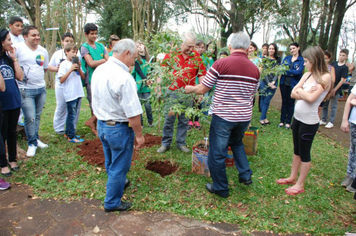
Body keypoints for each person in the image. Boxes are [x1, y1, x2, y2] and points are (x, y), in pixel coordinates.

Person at [185, 32, 260, 198]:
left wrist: (191, 88)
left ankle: (221, 187)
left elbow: (203, 88)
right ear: (248, 48)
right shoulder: (255, 69)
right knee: (237, 142)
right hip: (243, 116)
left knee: (217, 153)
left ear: (230, 46)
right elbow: (253, 94)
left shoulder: (221, 63)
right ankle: (245, 175)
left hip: (224, 116)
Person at [91, 39, 145, 212]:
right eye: (134, 57)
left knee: (111, 161)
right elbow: (133, 113)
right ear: (127, 53)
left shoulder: (100, 69)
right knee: (120, 166)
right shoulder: (124, 78)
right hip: (118, 129)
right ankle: (112, 202)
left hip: (103, 125)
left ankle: (118, 182)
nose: (134, 62)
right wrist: (139, 135)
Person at [276, 46, 332, 195]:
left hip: (309, 122)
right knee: (296, 151)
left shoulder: (325, 77)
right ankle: (293, 177)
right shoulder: (307, 75)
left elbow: (311, 98)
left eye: (306, 61)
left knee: (304, 153)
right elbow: (293, 94)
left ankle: (300, 184)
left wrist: (302, 92)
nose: (304, 64)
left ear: (314, 60)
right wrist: (304, 92)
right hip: (298, 119)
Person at [156, 32, 207, 153]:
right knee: (169, 119)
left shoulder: (196, 57)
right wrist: (158, 89)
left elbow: (201, 74)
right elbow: (161, 72)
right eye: (188, 46)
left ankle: (181, 143)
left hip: (188, 93)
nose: (191, 49)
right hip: (171, 92)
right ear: (181, 43)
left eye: (192, 46)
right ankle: (166, 143)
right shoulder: (172, 55)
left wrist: (201, 91)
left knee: (184, 119)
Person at [15, 25, 49, 157]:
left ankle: (36, 138)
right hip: (25, 89)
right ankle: (31, 144)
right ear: (25, 36)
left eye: (38, 35)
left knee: (38, 115)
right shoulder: (18, 48)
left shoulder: (43, 51)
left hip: (41, 88)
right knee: (30, 117)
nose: (37, 37)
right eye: (33, 35)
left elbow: (44, 68)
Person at [0, 29, 23, 176]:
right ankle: (3, 164)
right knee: (1, 134)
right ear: (1, 42)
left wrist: (14, 59)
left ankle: (13, 159)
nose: (11, 42)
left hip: (14, 100)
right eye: (8, 40)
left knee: (12, 132)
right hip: (2, 103)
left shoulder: (9, 59)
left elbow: (20, 76)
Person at [49, 32, 81, 136]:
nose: (69, 42)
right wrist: (57, 69)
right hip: (61, 83)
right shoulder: (57, 54)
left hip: (74, 85)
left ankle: (72, 128)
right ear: (62, 42)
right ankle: (59, 128)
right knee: (61, 105)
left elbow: (80, 72)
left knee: (74, 108)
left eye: (71, 41)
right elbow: (50, 66)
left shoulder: (77, 54)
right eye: (67, 41)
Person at [80, 23, 109, 135]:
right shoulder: (84, 47)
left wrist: (104, 60)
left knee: (104, 101)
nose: (94, 36)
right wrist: (104, 60)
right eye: (92, 34)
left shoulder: (101, 46)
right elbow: (91, 63)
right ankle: (95, 127)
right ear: (86, 34)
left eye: (96, 33)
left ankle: (93, 121)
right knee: (94, 103)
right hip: (91, 79)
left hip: (104, 77)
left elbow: (109, 59)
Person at [57, 43, 85, 143]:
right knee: (71, 115)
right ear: (66, 52)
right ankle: (71, 136)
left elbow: (83, 77)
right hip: (70, 93)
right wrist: (70, 70)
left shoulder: (77, 63)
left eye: (76, 52)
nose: (75, 54)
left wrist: (79, 68)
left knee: (74, 113)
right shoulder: (64, 64)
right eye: (72, 52)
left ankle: (68, 132)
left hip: (78, 92)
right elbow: (61, 80)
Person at [321, 49, 349, 128]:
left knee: (333, 106)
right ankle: (323, 119)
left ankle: (331, 121)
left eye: (343, 55)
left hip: (336, 89)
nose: (341, 57)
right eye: (340, 55)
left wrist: (334, 89)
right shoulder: (334, 64)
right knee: (325, 104)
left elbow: (342, 80)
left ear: (346, 57)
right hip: (328, 88)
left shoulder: (344, 68)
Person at [279, 43, 305, 129]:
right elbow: (282, 69)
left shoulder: (301, 60)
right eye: (290, 49)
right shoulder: (287, 58)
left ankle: (288, 122)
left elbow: (299, 72)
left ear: (298, 48)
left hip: (293, 84)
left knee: (291, 103)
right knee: (284, 102)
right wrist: (291, 72)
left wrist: (288, 72)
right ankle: (282, 121)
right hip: (284, 83)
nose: (292, 50)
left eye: (294, 48)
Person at [340, 78, 356, 193]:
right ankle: (349, 174)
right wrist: (345, 120)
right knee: (353, 149)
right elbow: (349, 100)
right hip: (354, 121)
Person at [132, 41, 154, 127]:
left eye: (140, 45)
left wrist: (151, 79)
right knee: (139, 105)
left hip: (147, 86)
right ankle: (140, 123)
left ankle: (150, 121)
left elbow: (152, 71)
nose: (139, 47)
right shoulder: (136, 60)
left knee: (148, 104)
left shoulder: (150, 59)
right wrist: (146, 80)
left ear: (144, 45)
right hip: (139, 85)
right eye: (137, 46)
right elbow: (139, 71)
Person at [259, 43, 281, 125]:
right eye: (270, 48)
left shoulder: (278, 60)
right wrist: (268, 83)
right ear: (268, 50)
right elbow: (264, 72)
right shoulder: (264, 59)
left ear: (275, 50)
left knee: (267, 99)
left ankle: (262, 117)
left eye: (273, 49)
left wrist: (273, 82)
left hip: (274, 83)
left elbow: (277, 72)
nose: (271, 50)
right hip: (264, 81)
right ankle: (263, 118)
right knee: (263, 99)